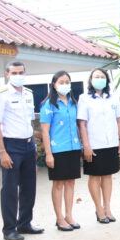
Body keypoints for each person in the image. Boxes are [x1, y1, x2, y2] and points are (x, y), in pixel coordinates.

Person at [0, 61, 44, 240]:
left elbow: (29, 122)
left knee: (29, 186)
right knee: (10, 189)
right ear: (7, 74)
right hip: (11, 146)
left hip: (28, 145)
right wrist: (2, 152)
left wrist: (34, 145)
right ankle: (9, 229)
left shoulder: (28, 93)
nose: (18, 76)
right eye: (14, 73)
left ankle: (25, 223)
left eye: (21, 72)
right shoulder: (0, 95)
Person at [77, 68, 120, 224]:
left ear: (107, 80)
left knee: (108, 175)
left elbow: (119, 120)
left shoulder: (113, 97)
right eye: (96, 77)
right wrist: (86, 146)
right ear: (91, 80)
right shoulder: (84, 98)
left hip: (111, 143)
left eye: (102, 77)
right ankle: (99, 209)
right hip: (94, 144)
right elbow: (82, 124)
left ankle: (107, 208)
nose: (99, 79)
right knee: (95, 176)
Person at [40, 71, 82, 231]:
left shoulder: (73, 102)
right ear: (54, 84)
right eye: (61, 82)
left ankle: (69, 215)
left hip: (73, 147)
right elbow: (45, 131)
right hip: (57, 150)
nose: (65, 85)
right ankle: (59, 218)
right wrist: (48, 154)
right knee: (58, 184)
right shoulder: (48, 105)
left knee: (71, 182)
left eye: (67, 82)